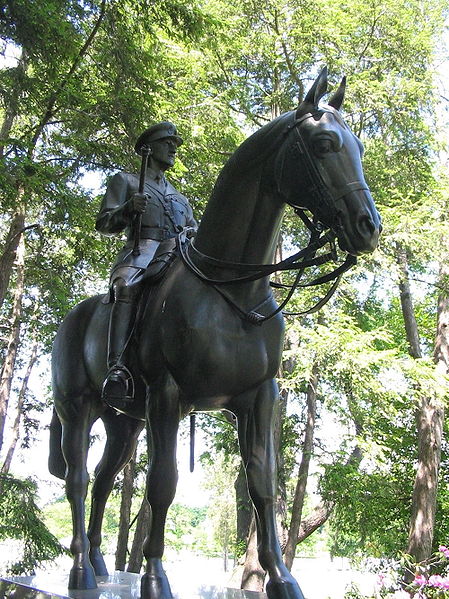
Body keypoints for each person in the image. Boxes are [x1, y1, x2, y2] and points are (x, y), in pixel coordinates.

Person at [96, 121, 197, 410]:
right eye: (169, 144)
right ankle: (116, 368)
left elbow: (195, 229)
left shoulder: (180, 197)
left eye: (175, 145)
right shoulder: (126, 181)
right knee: (126, 287)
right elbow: (103, 223)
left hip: (178, 254)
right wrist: (127, 209)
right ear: (150, 148)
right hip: (141, 253)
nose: (173, 149)